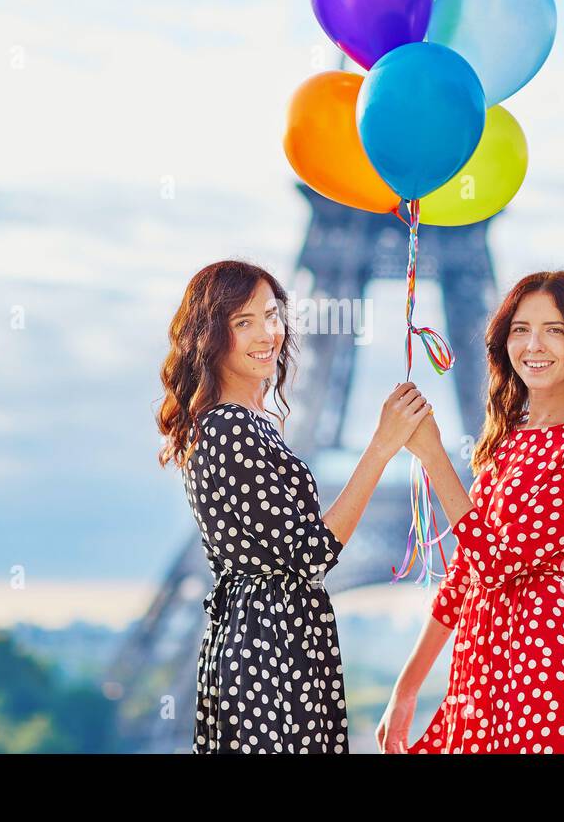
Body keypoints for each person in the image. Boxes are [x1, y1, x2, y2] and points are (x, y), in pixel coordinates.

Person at [157, 259, 430, 752]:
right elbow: (311, 554)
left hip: (277, 642)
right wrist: (382, 447)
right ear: (210, 336)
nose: (267, 334)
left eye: (270, 315)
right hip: (269, 653)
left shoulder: (247, 422)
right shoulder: (230, 428)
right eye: (243, 323)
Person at [377, 270, 564, 754]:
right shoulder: (509, 440)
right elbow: (465, 575)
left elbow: (498, 563)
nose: (533, 345)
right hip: (480, 663)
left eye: (554, 330)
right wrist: (407, 688)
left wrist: (434, 456)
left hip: (543, 662)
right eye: (520, 329)